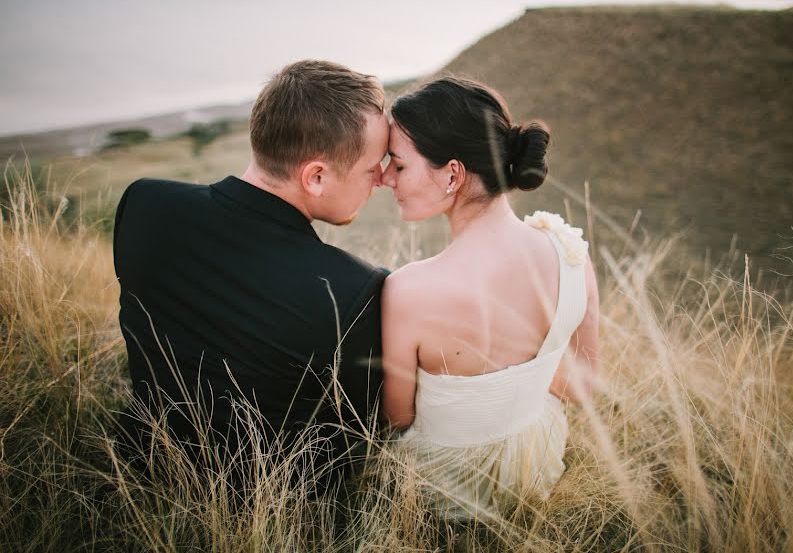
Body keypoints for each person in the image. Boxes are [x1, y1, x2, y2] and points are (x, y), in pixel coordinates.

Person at [112, 60, 390, 488]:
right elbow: (365, 428)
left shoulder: (144, 204)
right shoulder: (350, 291)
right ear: (315, 177)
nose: (383, 179)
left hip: (144, 467)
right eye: (373, 168)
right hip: (271, 504)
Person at [379, 76, 600, 519]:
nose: (385, 178)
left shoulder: (409, 290)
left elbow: (397, 421)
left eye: (399, 166)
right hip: (537, 468)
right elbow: (579, 387)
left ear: (453, 174)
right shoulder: (571, 254)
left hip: (438, 490)